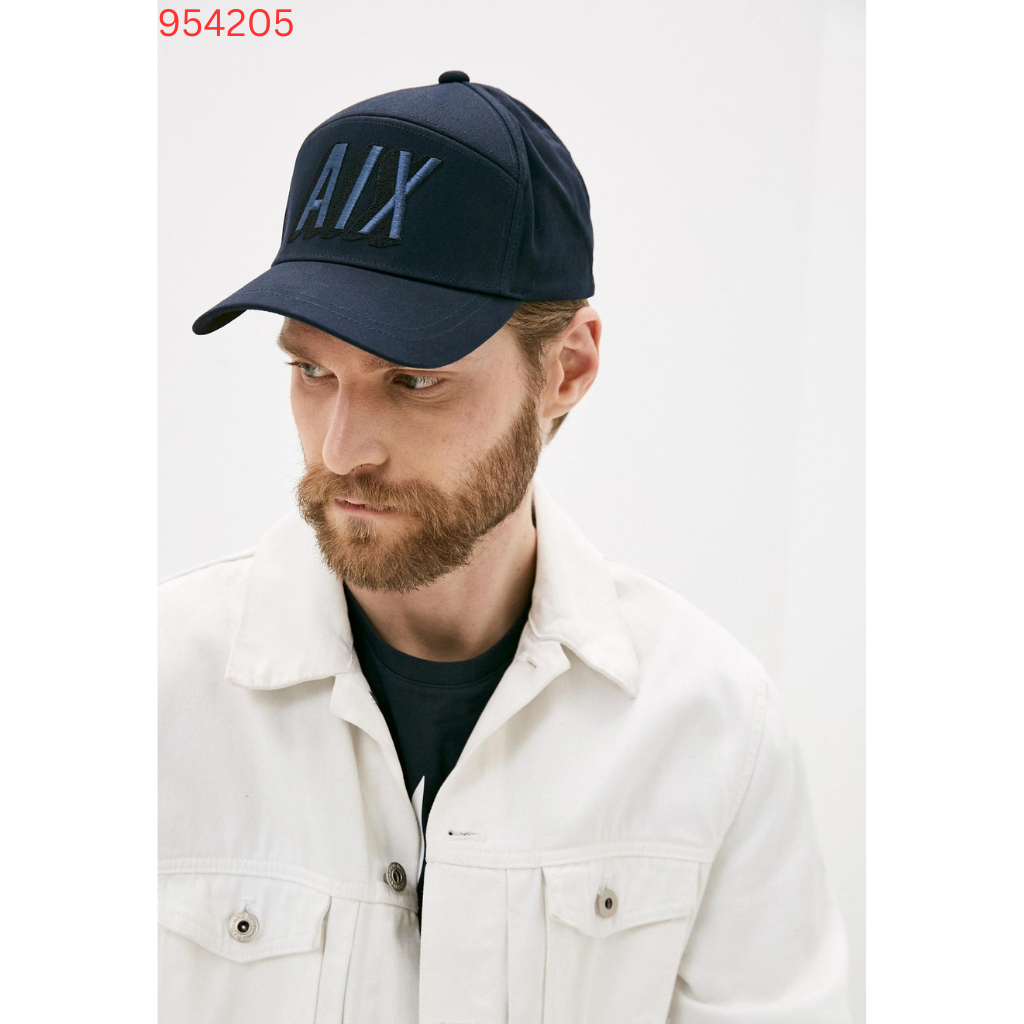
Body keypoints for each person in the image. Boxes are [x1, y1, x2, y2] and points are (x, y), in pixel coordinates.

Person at [159, 71, 852, 1023]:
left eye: (413, 380)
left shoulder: (712, 729)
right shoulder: (145, 697)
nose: (341, 450)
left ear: (567, 367)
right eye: (312, 370)